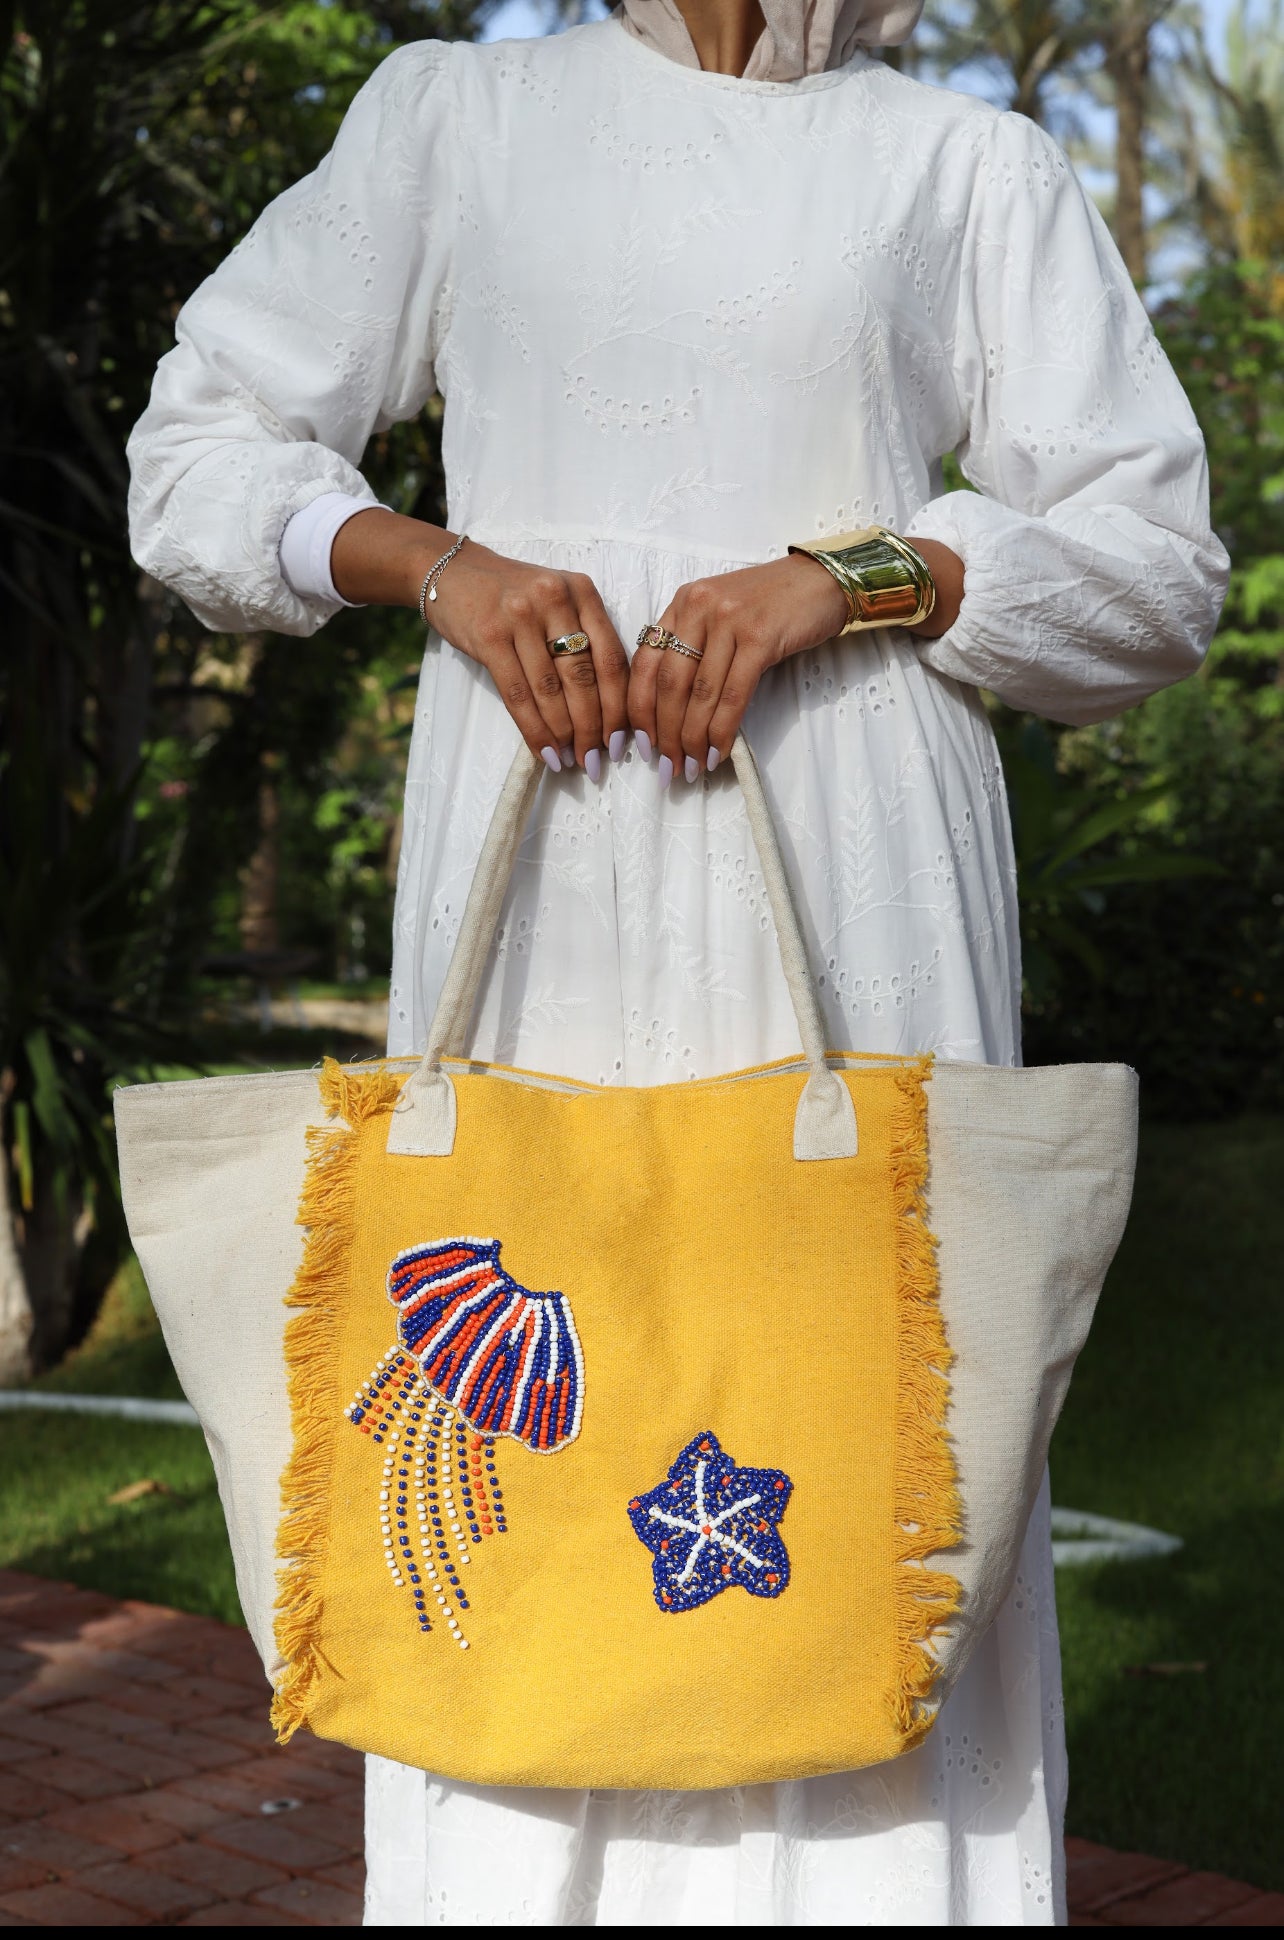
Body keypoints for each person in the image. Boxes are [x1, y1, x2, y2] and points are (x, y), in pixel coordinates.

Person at [127, 0, 1226, 1923]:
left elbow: (1152, 568)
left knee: (871, 1412)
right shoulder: (460, 116)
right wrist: (436, 566)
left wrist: (855, 574)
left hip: (858, 868)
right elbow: (196, 449)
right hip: (537, 867)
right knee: (510, 1423)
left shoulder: (963, 161)